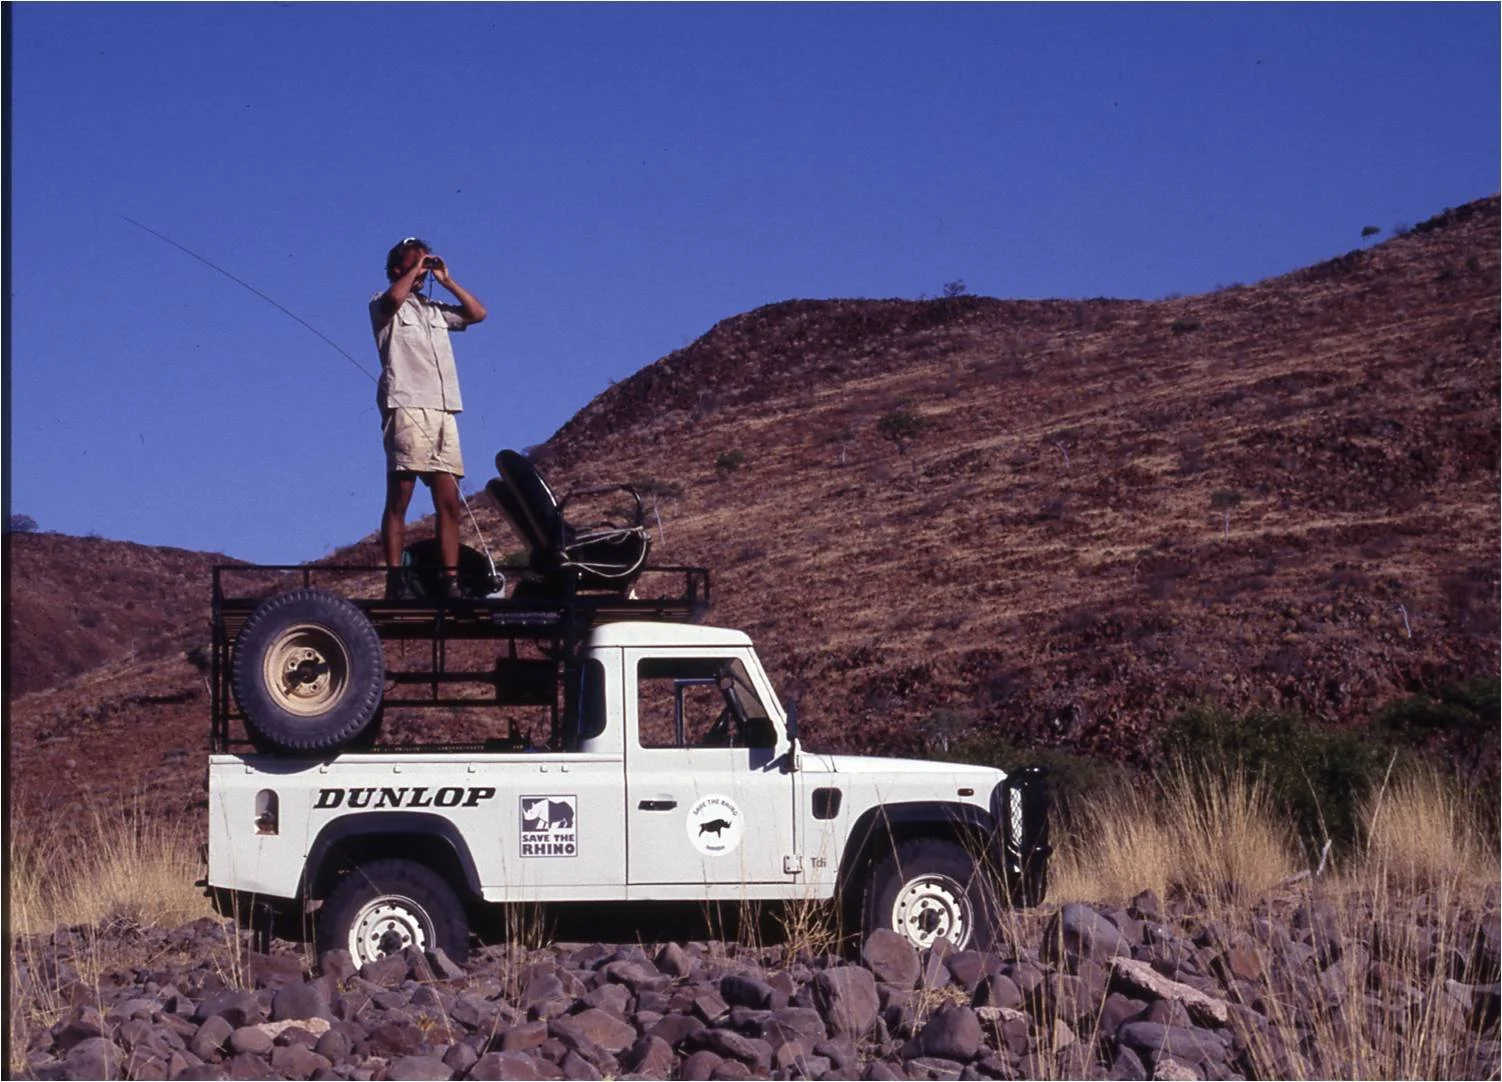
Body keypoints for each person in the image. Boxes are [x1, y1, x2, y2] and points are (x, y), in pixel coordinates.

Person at [370, 237, 488, 599]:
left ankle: (450, 580)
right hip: (406, 406)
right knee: (400, 498)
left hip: (443, 409)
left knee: (449, 501)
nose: (423, 268)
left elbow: (476, 313)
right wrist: (414, 272)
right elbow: (392, 299)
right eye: (415, 262)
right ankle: (395, 581)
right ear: (396, 269)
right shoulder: (383, 303)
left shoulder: (433, 309)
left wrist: (447, 280)